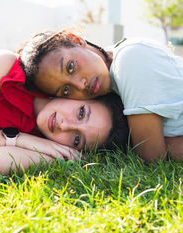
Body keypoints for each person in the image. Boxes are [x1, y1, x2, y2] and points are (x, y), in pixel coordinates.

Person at [18, 30, 183, 163]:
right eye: (66, 90)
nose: (80, 85)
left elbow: (152, 158)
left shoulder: (130, 59)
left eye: (71, 67)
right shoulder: (110, 90)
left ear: (75, 39)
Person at [0, 50, 129, 175]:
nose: (65, 126)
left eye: (76, 139)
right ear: (82, 96)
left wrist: (54, 156)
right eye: (81, 113)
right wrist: (20, 139)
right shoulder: (7, 67)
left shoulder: (45, 144)